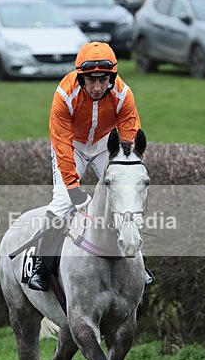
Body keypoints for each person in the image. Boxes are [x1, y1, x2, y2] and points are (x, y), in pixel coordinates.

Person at [28, 40, 151, 291]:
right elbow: (62, 144)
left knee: (126, 194)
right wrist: (74, 190)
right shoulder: (64, 95)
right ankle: (40, 265)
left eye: (103, 80)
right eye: (91, 80)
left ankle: (139, 261)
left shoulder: (123, 94)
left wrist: (127, 170)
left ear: (111, 78)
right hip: (72, 145)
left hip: (106, 144)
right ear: (80, 77)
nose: (97, 87)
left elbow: (129, 137)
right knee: (63, 200)